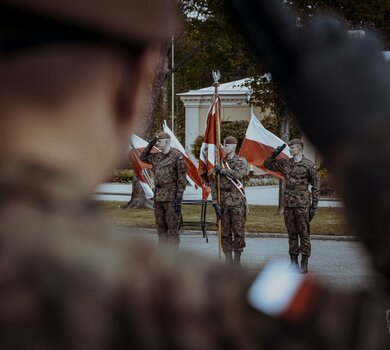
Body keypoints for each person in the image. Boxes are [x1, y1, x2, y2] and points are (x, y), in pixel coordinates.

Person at [264, 139, 320, 273]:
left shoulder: (309, 165)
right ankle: (293, 262)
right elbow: (267, 164)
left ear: (299, 149)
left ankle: (304, 263)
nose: (290, 150)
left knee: (304, 234)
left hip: (302, 204)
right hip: (288, 204)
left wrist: (313, 206)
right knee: (292, 234)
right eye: (289, 147)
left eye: (292, 147)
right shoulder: (286, 163)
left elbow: (316, 187)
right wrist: (275, 152)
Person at [140, 131, 187, 247]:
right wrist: (151, 143)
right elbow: (142, 157)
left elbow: (182, 179)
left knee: (172, 228)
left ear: (167, 142)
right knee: (161, 228)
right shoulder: (157, 156)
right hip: (159, 196)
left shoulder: (177, 156)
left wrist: (179, 197)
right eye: (157, 142)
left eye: (159, 141)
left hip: (172, 197)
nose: (158, 143)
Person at [212, 136, 248, 264]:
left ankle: (237, 261)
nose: (224, 148)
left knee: (238, 231)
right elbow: (214, 185)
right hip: (223, 203)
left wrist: (222, 170)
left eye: (227, 146)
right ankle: (228, 260)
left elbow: (238, 174)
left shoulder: (241, 161)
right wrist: (215, 202)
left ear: (233, 146)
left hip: (237, 202)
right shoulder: (220, 162)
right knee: (225, 232)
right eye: (224, 145)